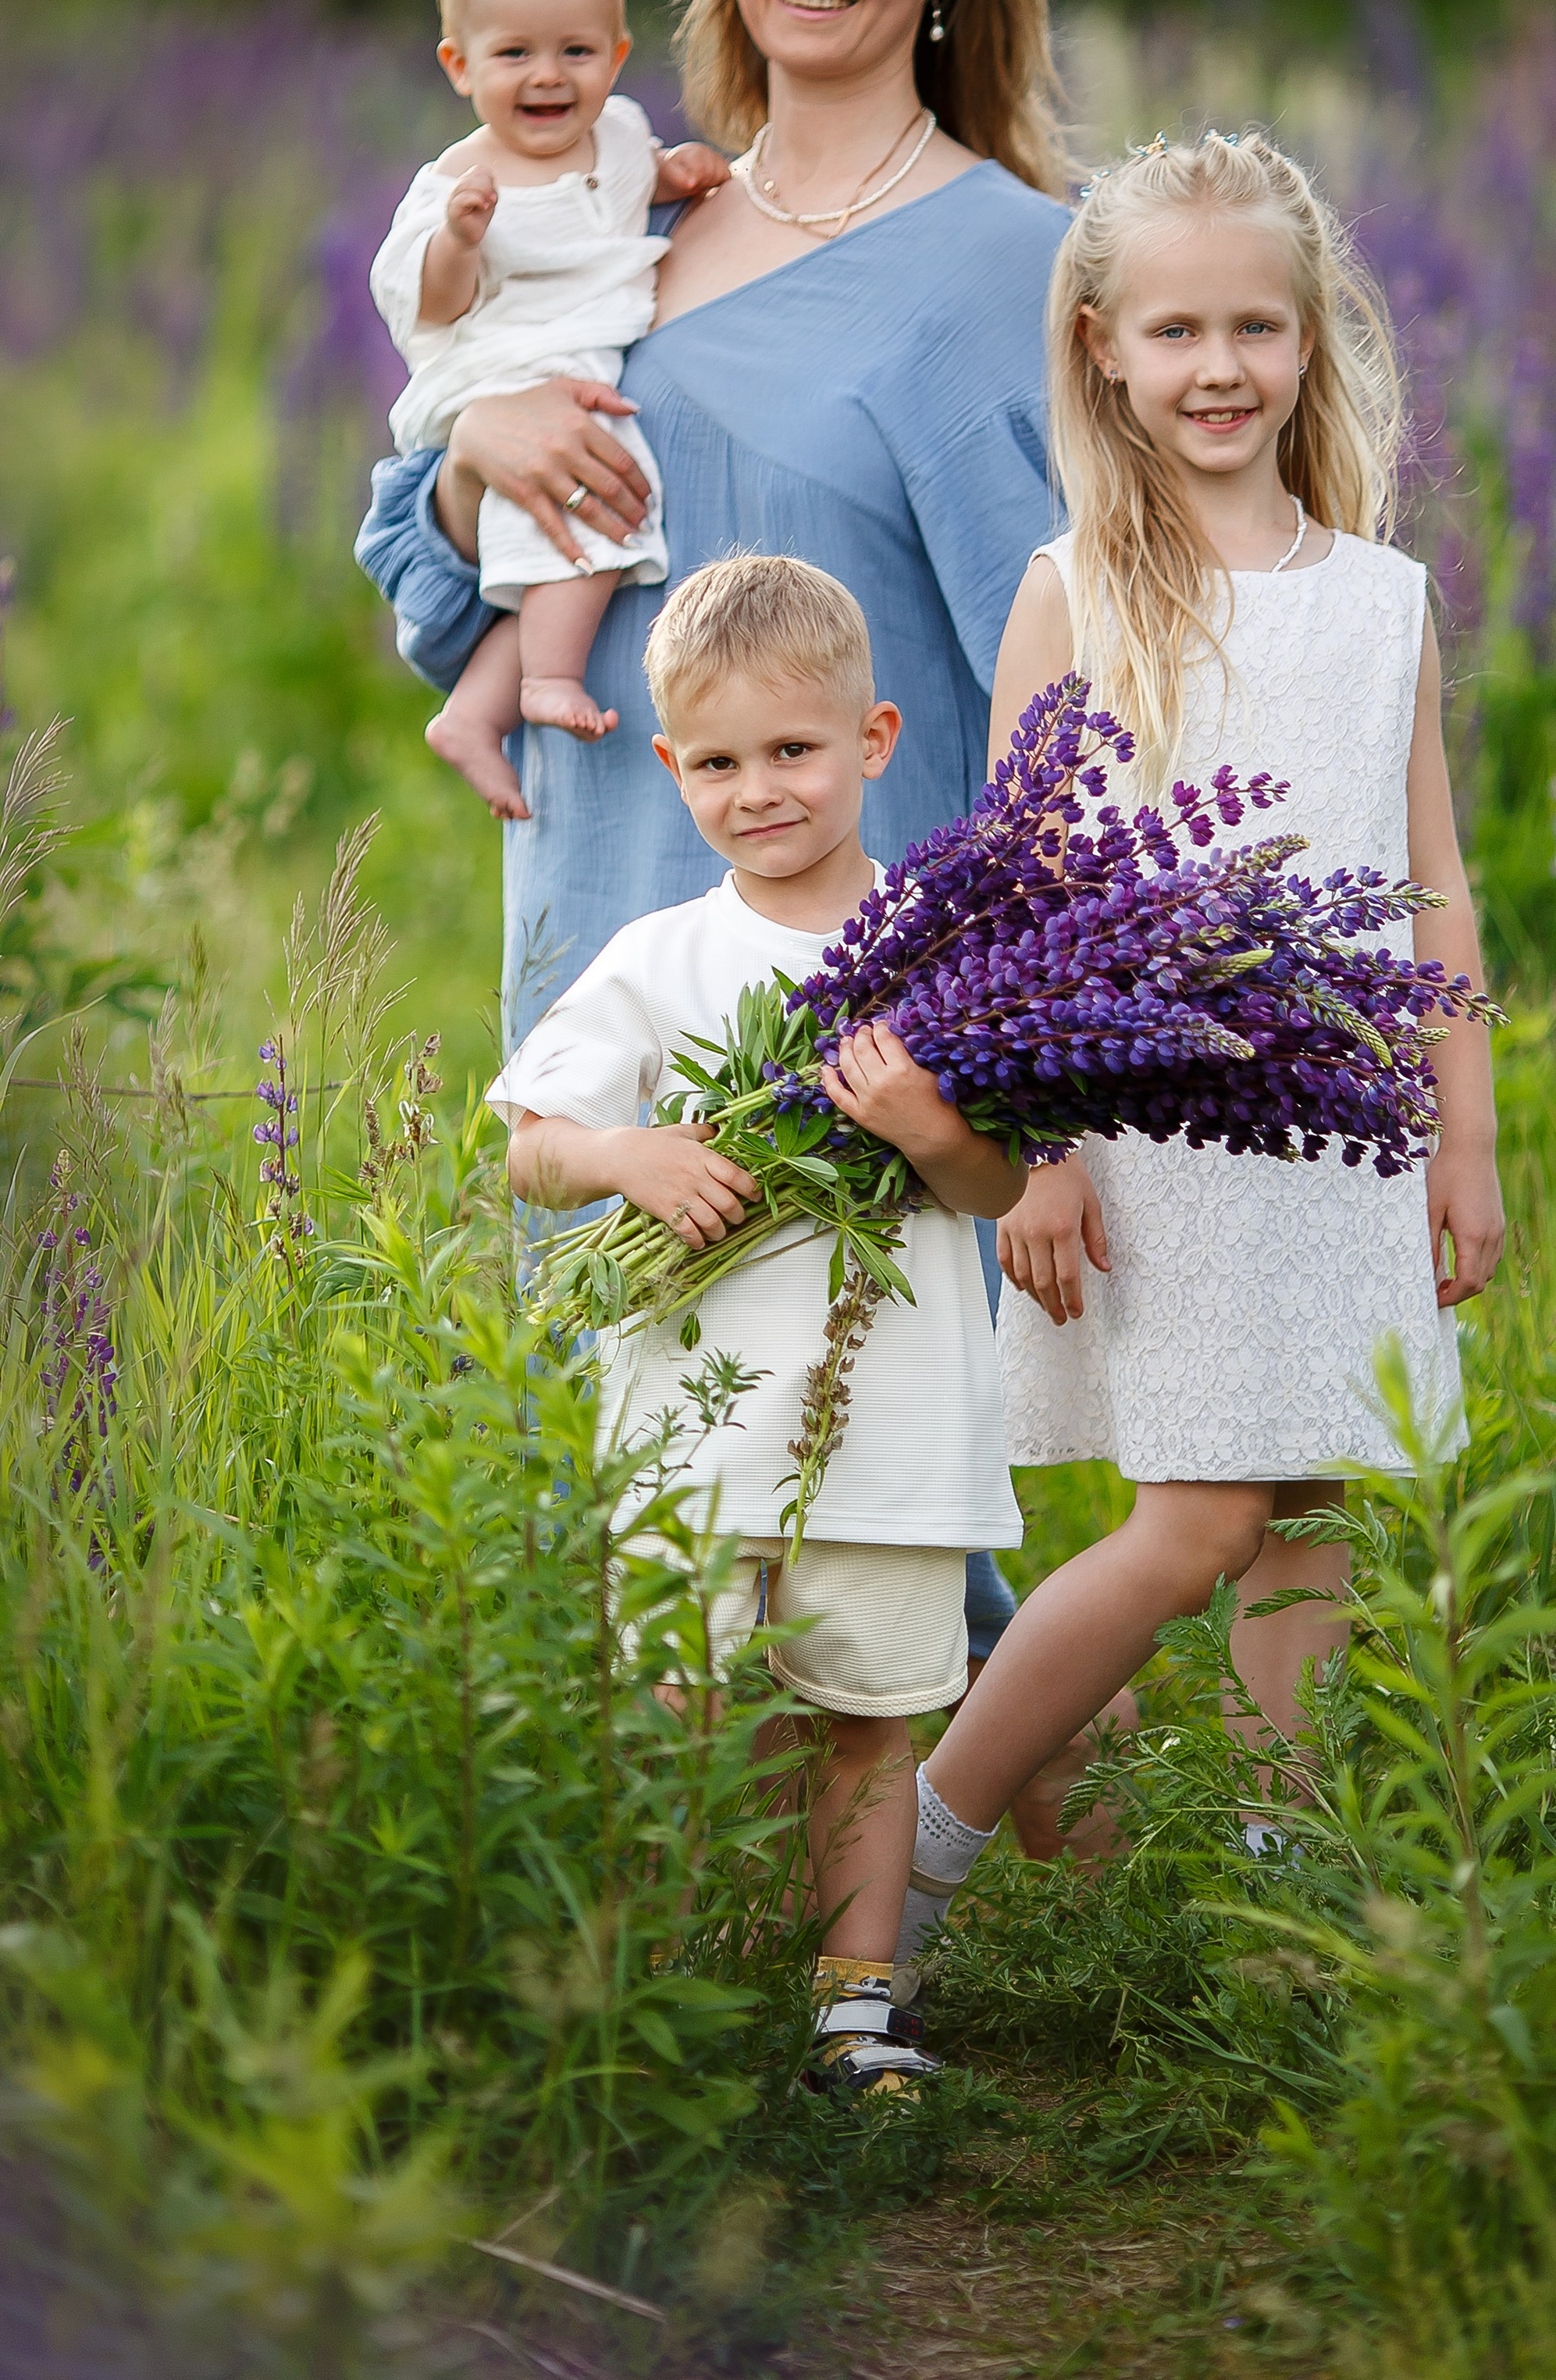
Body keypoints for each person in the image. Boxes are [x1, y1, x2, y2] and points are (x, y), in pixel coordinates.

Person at [896, 131, 1508, 1965]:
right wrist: (1048, 1146)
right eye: (1175, 330)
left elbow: (1434, 893)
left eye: (1255, 324)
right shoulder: (1073, 586)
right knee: (1194, 1518)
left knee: (1311, 1506)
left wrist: (1462, 1143)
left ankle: (1270, 1912)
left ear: (1310, 340)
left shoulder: (1375, 596)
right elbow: (1023, 904)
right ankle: (919, 1856)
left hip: (1349, 1122)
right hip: (1160, 1124)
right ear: (1099, 344)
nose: (1219, 366)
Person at [353, 0, 1071, 1039]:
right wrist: (473, 458)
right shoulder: (634, 225)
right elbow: (451, 618)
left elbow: (1081, 701)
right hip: (595, 959)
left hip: (862, 1020)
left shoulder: (1018, 263)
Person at [490, 556, 1026, 2094]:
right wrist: (627, 1155)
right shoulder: (660, 961)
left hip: (892, 1414)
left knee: (866, 1715)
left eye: (791, 752)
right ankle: (664, 1978)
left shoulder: (941, 956)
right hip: (696, 1418)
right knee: (677, 1698)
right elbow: (524, 1137)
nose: (756, 791)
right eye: (716, 763)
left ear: (872, 739)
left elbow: (992, 1182)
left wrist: (925, 1122)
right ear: (670, 771)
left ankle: (851, 2006)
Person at [369, 0, 727, 816]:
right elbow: (428, 302)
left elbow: (636, 172)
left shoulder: (616, 133)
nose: (547, 76)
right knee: (598, 513)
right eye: (514, 54)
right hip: (502, 373)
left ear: (615, 55)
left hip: (574, 361)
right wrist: (458, 239)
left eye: (575, 52)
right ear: (460, 66)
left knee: (553, 561)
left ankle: (474, 713)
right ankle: (545, 683)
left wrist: (676, 173)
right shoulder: (457, 182)